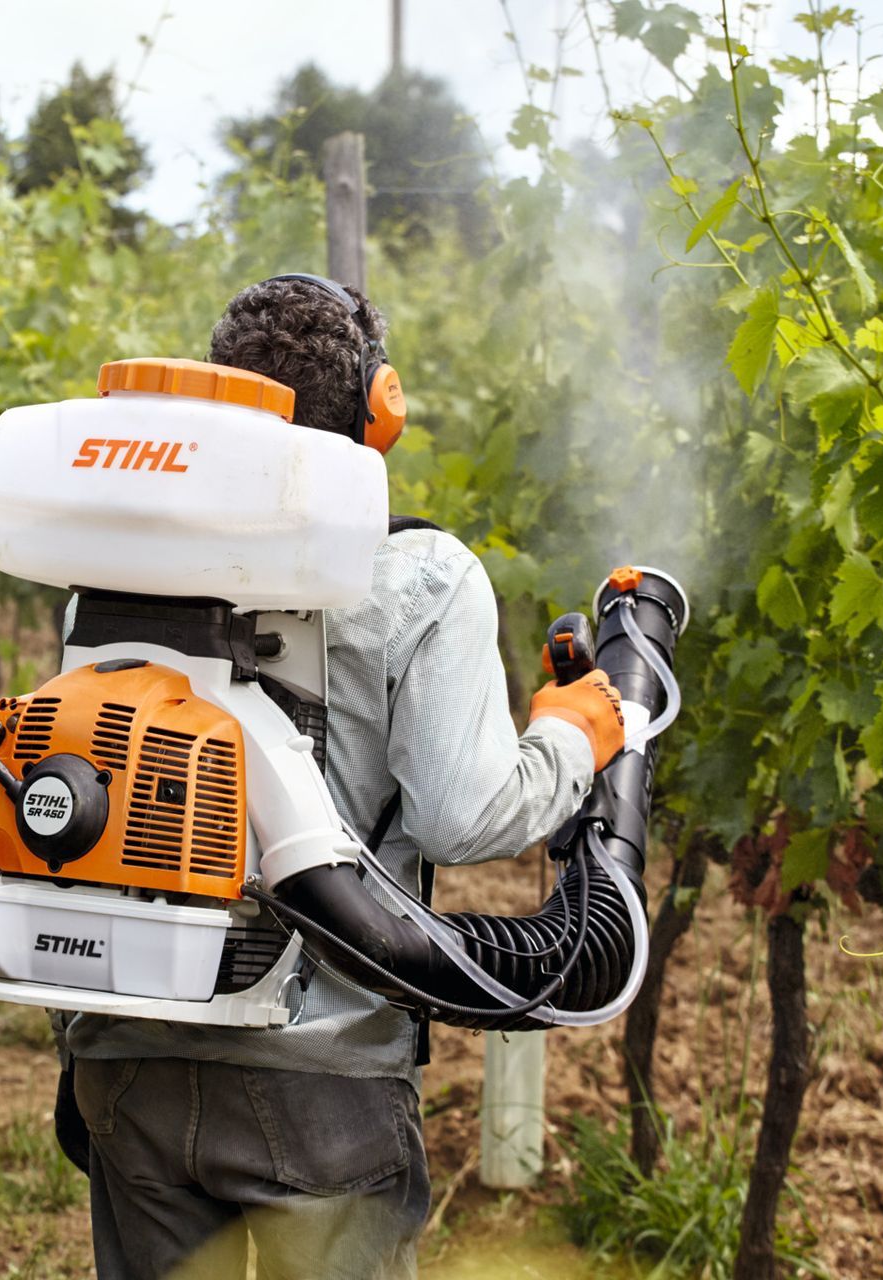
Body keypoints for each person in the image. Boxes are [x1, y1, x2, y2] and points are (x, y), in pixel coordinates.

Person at [54, 275, 627, 1280]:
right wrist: (572, 736)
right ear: (384, 407)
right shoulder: (417, 575)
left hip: (127, 1055)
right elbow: (463, 814)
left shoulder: (120, 561)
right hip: (320, 1079)